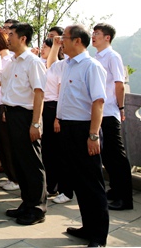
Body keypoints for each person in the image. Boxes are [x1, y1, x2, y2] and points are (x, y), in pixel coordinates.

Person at [0, 23, 47, 226]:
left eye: (11, 34)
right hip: (11, 115)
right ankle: (27, 203)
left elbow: (39, 93)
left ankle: (37, 208)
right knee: (19, 162)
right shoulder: (11, 61)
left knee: (32, 163)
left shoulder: (33, 62)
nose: (8, 38)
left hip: (26, 116)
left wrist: (36, 123)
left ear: (23, 38)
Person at [58, 24, 109, 247]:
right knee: (79, 182)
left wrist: (93, 135)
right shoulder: (68, 65)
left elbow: (98, 102)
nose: (61, 41)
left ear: (77, 41)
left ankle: (99, 236)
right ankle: (87, 226)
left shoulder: (91, 66)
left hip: (85, 130)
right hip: (68, 128)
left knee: (92, 184)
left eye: (64, 37)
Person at [92, 23, 133, 211]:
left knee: (117, 156)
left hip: (109, 111)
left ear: (107, 37)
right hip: (100, 112)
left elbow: (119, 84)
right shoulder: (97, 57)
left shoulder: (112, 56)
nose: (93, 36)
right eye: (93, 32)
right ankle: (115, 191)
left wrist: (121, 107)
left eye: (97, 33)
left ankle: (125, 198)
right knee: (107, 156)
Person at [43, 36, 73, 204]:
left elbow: (62, 93)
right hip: (47, 108)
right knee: (49, 151)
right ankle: (51, 186)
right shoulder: (55, 66)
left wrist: (57, 117)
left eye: (45, 47)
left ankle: (65, 190)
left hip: (56, 109)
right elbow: (51, 63)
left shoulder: (66, 66)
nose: (42, 49)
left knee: (60, 153)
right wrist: (55, 45)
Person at [0, 32, 20, 192]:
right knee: (2, 145)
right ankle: (11, 176)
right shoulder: (0, 59)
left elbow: (7, 86)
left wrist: (4, 108)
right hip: (0, 104)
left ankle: (15, 179)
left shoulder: (9, 60)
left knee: (8, 145)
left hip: (6, 104)